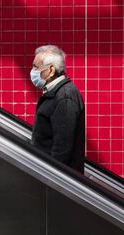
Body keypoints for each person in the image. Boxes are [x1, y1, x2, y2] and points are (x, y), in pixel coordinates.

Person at [30, 45, 85, 173]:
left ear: (51, 70)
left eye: (36, 67)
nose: (32, 71)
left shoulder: (65, 97)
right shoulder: (58, 93)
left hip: (56, 178)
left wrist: (52, 176)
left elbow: (62, 146)